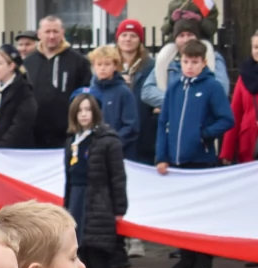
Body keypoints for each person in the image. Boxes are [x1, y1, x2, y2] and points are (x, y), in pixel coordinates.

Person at [156, 39, 233, 268]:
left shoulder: (212, 87)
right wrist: (162, 156)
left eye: (195, 62)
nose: (189, 66)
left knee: (202, 213)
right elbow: (163, 122)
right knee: (182, 213)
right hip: (176, 162)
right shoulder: (175, 87)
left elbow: (226, 119)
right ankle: (185, 258)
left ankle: (203, 259)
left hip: (201, 160)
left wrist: (204, 135)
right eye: (186, 61)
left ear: (203, 63)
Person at [64, 95, 128, 268]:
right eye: (79, 110)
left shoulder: (107, 141)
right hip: (77, 201)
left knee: (97, 251)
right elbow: (69, 178)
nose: (83, 114)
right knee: (81, 252)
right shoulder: (73, 141)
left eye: (88, 110)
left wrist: (120, 207)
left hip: (99, 201)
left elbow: (118, 177)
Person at [24, 16, 92, 148]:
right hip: (35, 134)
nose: (51, 36)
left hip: (68, 134)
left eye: (55, 31)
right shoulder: (28, 63)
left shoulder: (78, 61)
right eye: (47, 31)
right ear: (39, 34)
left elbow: (86, 95)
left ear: (62, 32)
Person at [142, 19, 231, 115]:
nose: (186, 39)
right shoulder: (166, 61)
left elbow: (222, 90)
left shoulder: (213, 57)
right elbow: (147, 91)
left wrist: (192, 102)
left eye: (190, 35)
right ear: (175, 39)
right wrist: (177, 102)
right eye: (181, 35)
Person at [87, 46, 139, 159]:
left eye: (107, 64)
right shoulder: (90, 92)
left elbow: (131, 125)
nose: (102, 68)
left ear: (115, 66)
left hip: (118, 153)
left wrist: (112, 144)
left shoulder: (124, 92)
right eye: (99, 64)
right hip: (93, 151)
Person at [117, 19, 157, 167]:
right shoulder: (108, 64)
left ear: (140, 40)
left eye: (133, 35)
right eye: (124, 35)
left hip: (144, 132)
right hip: (116, 131)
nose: (128, 39)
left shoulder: (151, 66)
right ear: (118, 38)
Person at [221, 30, 258, 166]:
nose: (257, 51)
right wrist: (227, 152)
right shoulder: (244, 77)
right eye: (255, 47)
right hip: (249, 147)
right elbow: (234, 114)